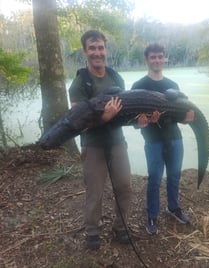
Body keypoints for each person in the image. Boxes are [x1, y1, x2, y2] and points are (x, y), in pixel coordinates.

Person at [68, 30, 132, 250]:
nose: (97, 53)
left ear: (106, 49)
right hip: (93, 145)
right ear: (85, 51)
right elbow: (78, 122)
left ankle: (121, 226)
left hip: (117, 142)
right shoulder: (79, 84)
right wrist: (105, 117)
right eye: (92, 48)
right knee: (94, 191)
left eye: (101, 48)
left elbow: (124, 112)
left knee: (124, 186)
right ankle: (92, 231)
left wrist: (139, 119)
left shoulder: (116, 77)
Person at [131, 43, 194, 235]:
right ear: (146, 60)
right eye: (153, 57)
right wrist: (142, 121)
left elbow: (178, 116)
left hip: (174, 138)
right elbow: (132, 119)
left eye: (160, 56)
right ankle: (152, 215)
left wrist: (186, 118)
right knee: (155, 179)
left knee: (174, 176)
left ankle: (173, 207)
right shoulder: (138, 86)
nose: (157, 60)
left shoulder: (173, 86)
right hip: (153, 140)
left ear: (164, 58)